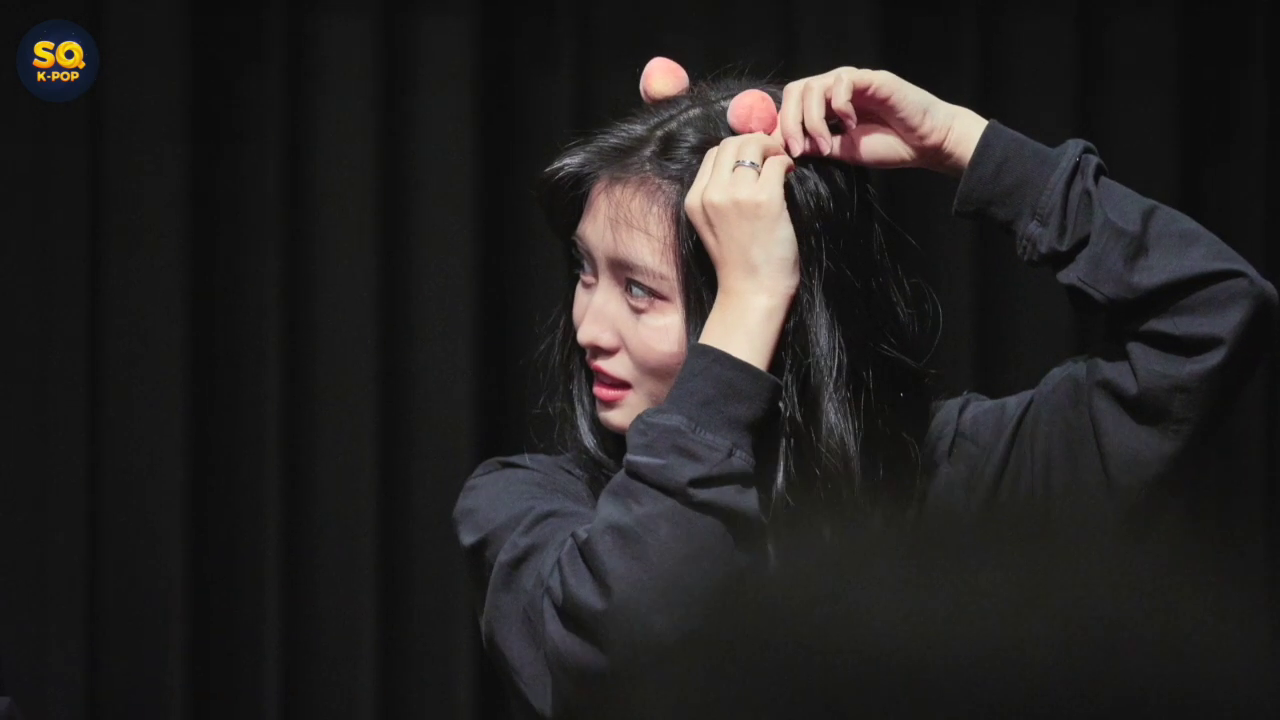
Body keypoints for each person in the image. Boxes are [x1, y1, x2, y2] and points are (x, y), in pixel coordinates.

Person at [452, 63, 1277, 718]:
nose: (589, 325)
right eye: (586, 272)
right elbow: (623, 642)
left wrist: (966, 146)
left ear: (787, 305)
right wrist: (742, 310)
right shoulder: (531, 510)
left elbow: (1212, 316)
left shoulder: (948, 477)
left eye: (638, 290)